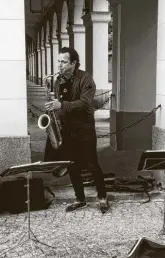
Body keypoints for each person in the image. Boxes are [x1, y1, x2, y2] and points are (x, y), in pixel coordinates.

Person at [44, 47, 109, 214]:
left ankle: (102, 197)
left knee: (92, 164)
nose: (59, 65)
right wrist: (53, 112)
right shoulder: (58, 80)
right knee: (71, 165)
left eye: (63, 62)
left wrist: (61, 105)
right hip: (67, 129)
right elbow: (60, 101)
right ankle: (80, 199)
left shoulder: (86, 79)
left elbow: (86, 103)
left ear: (73, 63)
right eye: (58, 61)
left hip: (84, 129)